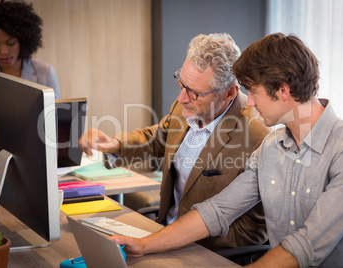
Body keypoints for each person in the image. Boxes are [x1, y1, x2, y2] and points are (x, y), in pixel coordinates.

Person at [107, 33, 343, 267]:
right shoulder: (273, 147)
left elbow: (307, 245)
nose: (249, 104)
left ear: (283, 91)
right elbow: (216, 211)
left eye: (253, 92)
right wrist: (144, 244)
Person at [79, 33, 271, 250]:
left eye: (195, 93)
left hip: (207, 251)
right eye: (181, 84)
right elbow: (159, 138)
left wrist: (178, 239)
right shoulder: (188, 102)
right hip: (163, 233)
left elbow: (252, 233)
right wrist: (113, 144)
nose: (181, 98)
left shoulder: (257, 137)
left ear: (229, 93)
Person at [0, 0, 60, 164]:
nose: (3, 51)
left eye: (10, 43)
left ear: (23, 39)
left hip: (37, 164)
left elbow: (52, 133)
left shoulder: (45, 73)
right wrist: (14, 157)